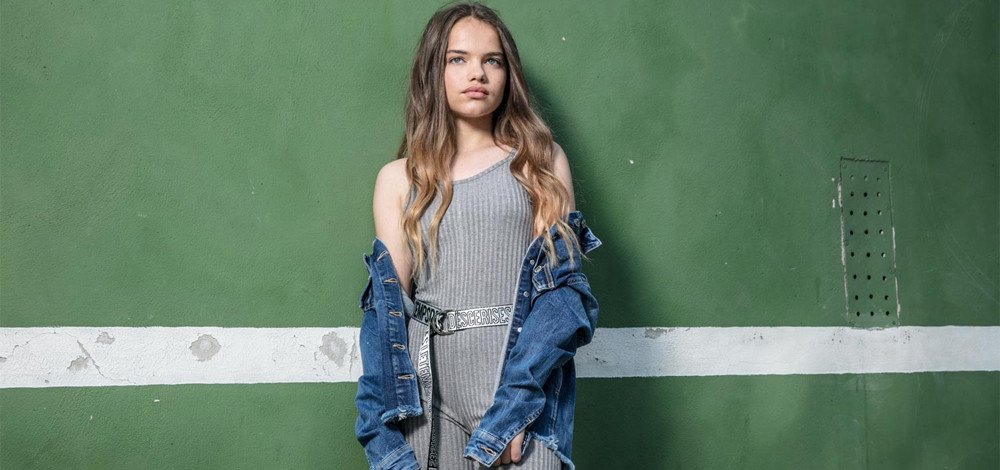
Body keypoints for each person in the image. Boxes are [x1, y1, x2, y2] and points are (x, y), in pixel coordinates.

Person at [357, 2, 601, 469]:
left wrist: (513, 410)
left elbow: (563, 298)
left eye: (493, 60)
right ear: (434, 70)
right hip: (429, 398)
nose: (478, 73)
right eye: (458, 59)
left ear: (508, 74)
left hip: (519, 387)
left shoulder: (540, 162)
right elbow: (387, 312)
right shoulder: (399, 178)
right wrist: (380, 430)